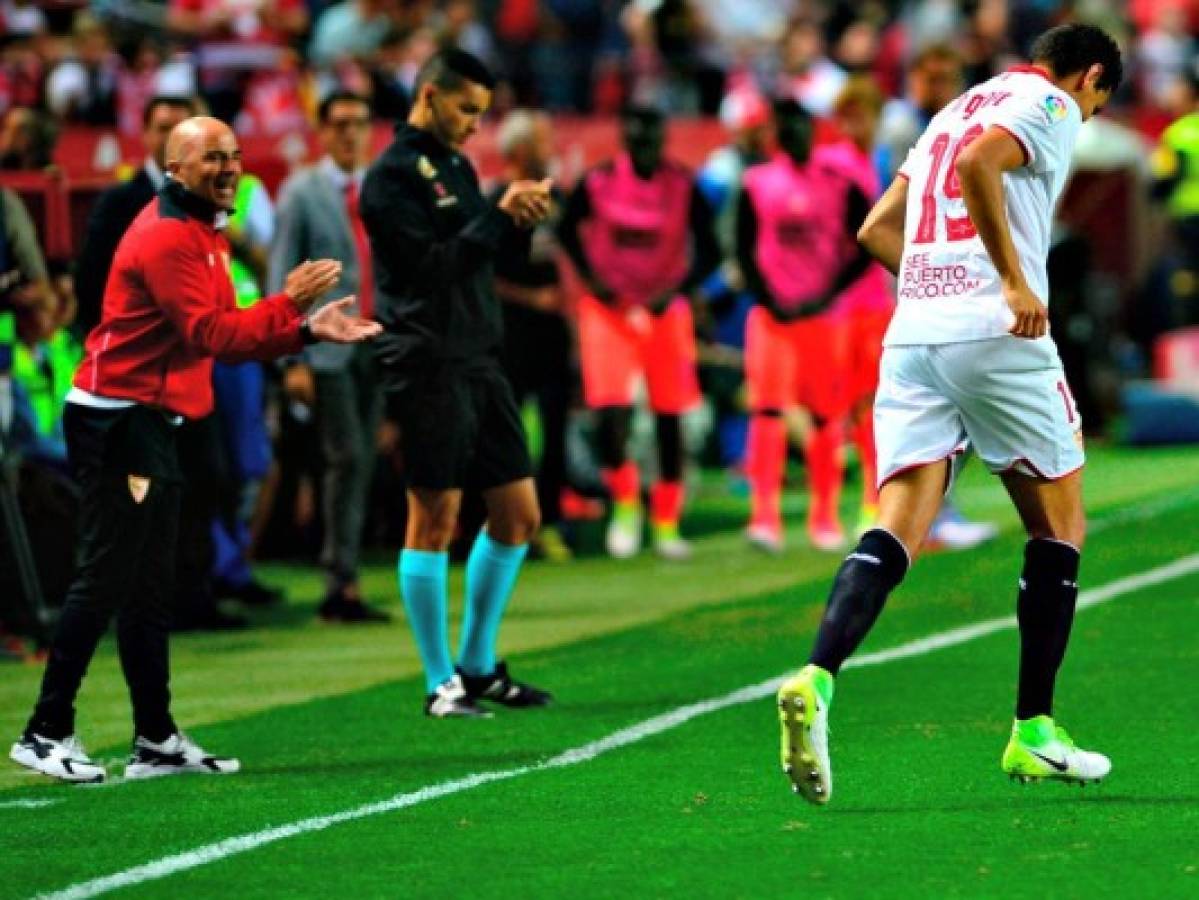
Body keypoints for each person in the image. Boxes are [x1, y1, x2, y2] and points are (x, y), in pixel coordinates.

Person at [776, 23, 1123, 804]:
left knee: (895, 527)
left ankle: (816, 676)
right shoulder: (1047, 101)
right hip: (997, 331)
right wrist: (1003, 281)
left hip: (914, 333)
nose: (1089, 116)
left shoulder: (953, 107)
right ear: (1091, 76)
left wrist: (938, 287)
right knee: (1059, 527)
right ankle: (1033, 733)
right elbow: (981, 165)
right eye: (1097, 102)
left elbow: (874, 229)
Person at [9, 116, 381, 784]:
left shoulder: (201, 232)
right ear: (175, 168)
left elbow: (227, 330)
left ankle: (154, 737)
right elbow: (213, 334)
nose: (230, 166)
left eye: (235, 155)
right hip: (119, 418)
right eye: (213, 157)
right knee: (107, 574)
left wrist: (302, 329)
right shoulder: (168, 238)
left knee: (151, 586)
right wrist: (288, 307)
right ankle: (46, 729)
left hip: (150, 416)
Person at [360, 49, 553, 717]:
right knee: (433, 520)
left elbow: (480, 255)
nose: (476, 124)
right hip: (427, 362)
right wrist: (498, 215)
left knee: (518, 516)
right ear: (430, 97)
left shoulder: (457, 166)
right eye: (467, 108)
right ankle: (438, 680)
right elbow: (429, 269)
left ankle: (476, 664)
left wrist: (516, 221)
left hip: (479, 358)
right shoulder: (387, 179)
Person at [557, 104, 720, 561]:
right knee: (611, 414)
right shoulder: (599, 181)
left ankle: (666, 521)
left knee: (670, 416)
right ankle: (626, 505)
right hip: (609, 312)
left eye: (650, 137)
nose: (643, 146)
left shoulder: (683, 185)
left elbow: (709, 248)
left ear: (661, 140)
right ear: (624, 140)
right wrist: (595, 284)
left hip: (665, 311)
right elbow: (567, 231)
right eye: (635, 137)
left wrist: (680, 289)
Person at [271, 90, 390, 622]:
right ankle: (339, 579)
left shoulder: (379, 190)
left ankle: (345, 572)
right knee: (347, 459)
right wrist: (291, 356)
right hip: (325, 350)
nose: (350, 133)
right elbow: (282, 274)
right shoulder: (301, 191)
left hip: (374, 343)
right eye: (340, 123)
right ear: (323, 131)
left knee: (359, 460)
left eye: (359, 123)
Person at [736, 99, 872, 554]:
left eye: (800, 126)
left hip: (821, 317)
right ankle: (764, 518)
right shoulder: (756, 183)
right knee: (768, 414)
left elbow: (866, 240)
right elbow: (742, 246)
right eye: (785, 126)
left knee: (825, 418)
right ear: (775, 132)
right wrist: (766, 296)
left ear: (812, 132)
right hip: (772, 317)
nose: (792, 134)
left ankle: (824, 516)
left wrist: (829, 292)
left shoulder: (838, 183)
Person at [490, 109, 574, 562]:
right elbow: (480, 273)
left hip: (552, 332)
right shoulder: (495, 199)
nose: (552, 148)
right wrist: (531, 297)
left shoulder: (557, 197)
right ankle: (510, 524)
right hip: (510, 333)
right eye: (544, 140)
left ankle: (552, 520)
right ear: (521, 150)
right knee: (511, 433)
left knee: (556, 425)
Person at [815, 76, 894, 536]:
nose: (860, 123)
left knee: (873, 407)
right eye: (852, 114)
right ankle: (824, 510)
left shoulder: (875, 161)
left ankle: (871, 503)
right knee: (831, 408)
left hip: (871, 300)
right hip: (836, 303)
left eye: (867, 114)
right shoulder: (830, 164)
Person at [75, 95, 197, 336]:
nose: (173, 138)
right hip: (134, 340)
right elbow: (92, 276)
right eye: (164, 129)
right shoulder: (117, 202)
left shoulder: (208, 200)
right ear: (145, 134)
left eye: (182, 130)